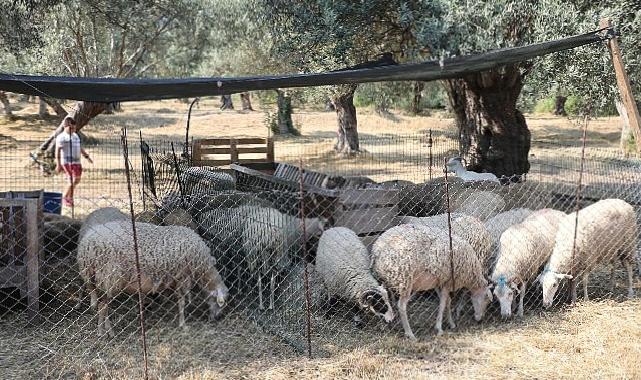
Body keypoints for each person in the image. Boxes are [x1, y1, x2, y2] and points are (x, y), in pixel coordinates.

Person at [55, 116, 92, 207]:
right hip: (67, 162)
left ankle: (69, 197)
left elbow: (79, 147)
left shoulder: (75, 136)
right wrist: (58, 164)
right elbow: (57, 151)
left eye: (74, 128)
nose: (73, 130)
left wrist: (86, 156)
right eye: (71, 128)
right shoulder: (62, 137)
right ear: (65, 126)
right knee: (72, 180)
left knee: (77, 180)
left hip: (77, 162)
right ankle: (65, 198)